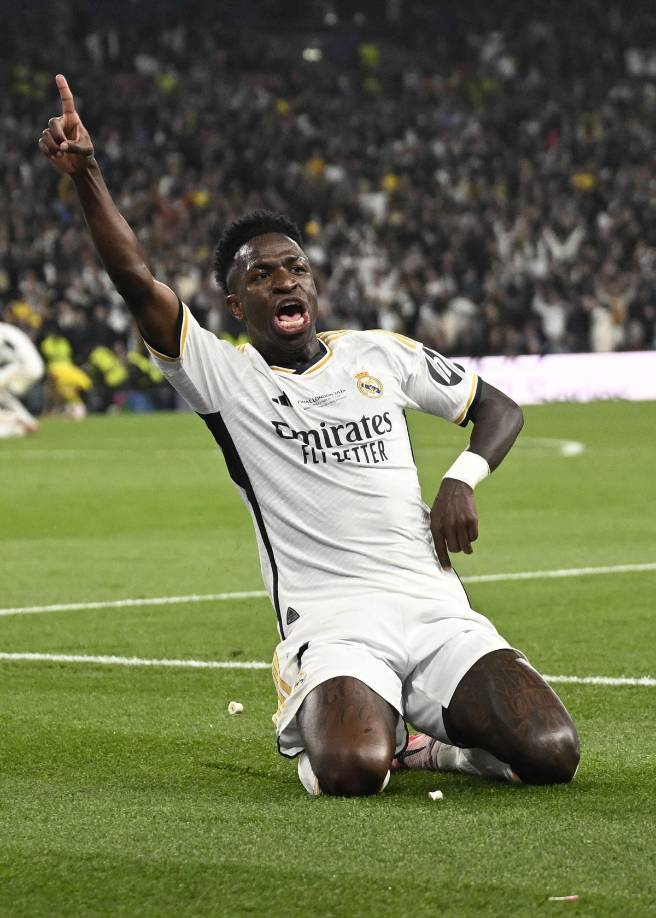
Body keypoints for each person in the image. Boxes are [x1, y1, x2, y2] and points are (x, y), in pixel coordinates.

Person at [39, 75, 580, 796]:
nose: (284, 280)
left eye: (295, 267)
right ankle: (346, 717)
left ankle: (433, 748)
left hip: (432, 606)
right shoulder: (222, 378)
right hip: (332, 623)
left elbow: (501, 409)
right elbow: (138, 281)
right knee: (353, 769)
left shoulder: (380, 354)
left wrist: (462, 476)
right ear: (235, 304)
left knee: (553, 752)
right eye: (260, 275)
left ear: (314, 284)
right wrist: (88, 176)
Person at [0, 322, 45, 438]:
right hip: (32, 365)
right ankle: (24, 422)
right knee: (3, 393)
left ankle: (20, 420)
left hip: (24, 366)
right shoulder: (7, 328)